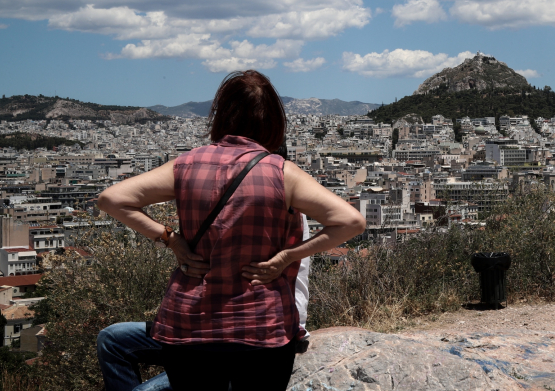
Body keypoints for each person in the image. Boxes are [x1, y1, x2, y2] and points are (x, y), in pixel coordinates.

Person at [97, 70, 365, 391]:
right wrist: (287, 256)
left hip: (189, 325)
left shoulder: (186, 165)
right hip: (260, 326)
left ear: (221, 115)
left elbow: (112, 199)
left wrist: (171, 239)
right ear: (273, 121)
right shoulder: (282, 172)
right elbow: (351, 221)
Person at [97, 145, 313, 391]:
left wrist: (286, 261)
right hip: (197, 322)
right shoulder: (210, 193)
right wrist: (171, 238)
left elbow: (300, 277)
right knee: (112, 338)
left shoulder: (286, 207)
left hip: (248, 332)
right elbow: (111, 199)